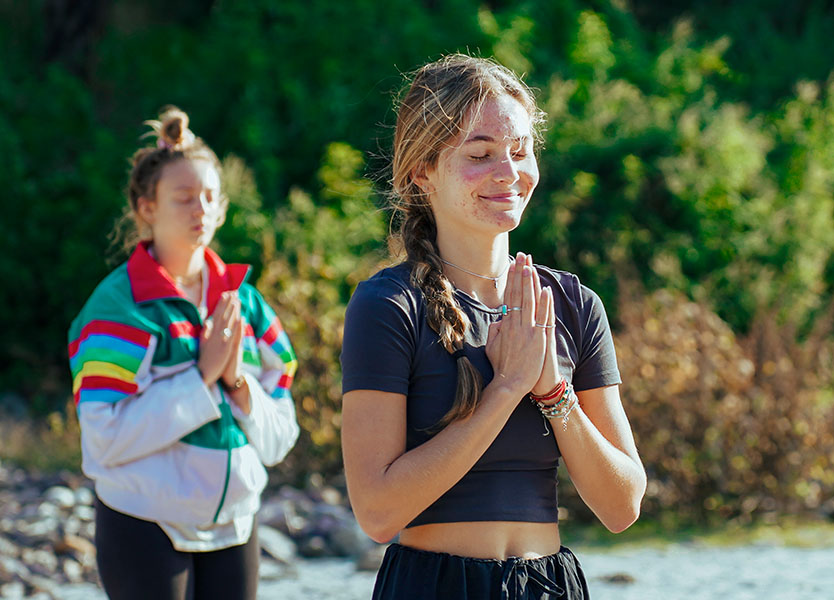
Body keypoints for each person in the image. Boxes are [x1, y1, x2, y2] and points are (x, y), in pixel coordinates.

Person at [340, 54, 647, 599]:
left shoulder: (574, 304)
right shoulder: (388, 306)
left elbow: (622, 506)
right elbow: (378, 513)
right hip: (434, 586)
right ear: (423, 171)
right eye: (480, 155)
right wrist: (505, 389)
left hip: (548, 585)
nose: (509, 173)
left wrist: (554, 391)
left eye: (520, 151)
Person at [67, 107, 299, 600]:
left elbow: (279, 442)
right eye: (184, 197)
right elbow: (103, 439)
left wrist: (236, 382)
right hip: (143, 524)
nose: (201, 210)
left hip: (236, 525)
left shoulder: (248, 306)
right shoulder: (119, 309)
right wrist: (202, 376)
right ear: (146, 206)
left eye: (210, 197)